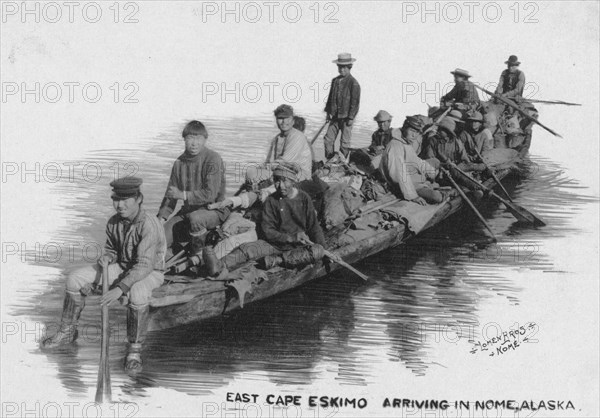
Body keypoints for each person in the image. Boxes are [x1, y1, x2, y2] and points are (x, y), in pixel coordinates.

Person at [41, 177, 166, 372]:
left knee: (138, 293)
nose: (119, 205)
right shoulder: (114, 222)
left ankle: (134, 349)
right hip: (123, 267)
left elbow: (144, 265)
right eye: (116, 199)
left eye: (125, 200)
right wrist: (107, 257)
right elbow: (112, 250)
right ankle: (67, 331)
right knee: (75, 279)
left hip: (150, 272)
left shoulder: (150, 224)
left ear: (139, 199)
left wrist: (119, 288)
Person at [203, 163, 326, 275]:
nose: (281, 185)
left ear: (293, 181)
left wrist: (322, 247)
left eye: (285, 181)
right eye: (277, 181)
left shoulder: (304, 199)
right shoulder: (271, 201)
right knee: (247, 249)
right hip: (274, 245)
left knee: (317, 251)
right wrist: (290, 237)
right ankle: (218, 266)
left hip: (297, 247)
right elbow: (268, 231)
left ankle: (278, 260)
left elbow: (314, 226)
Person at [158, 120, 228, 252]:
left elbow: (210, 194)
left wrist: (183, 195)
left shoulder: (213, 158)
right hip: (187, 212)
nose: (194, 143)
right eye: (190, 138)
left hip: (213, 210)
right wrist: (161, 219)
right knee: (159, 239)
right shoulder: (179, 162)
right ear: (184, 139)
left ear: (205, 140)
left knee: (196, 218)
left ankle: (198, 255)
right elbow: (171, 195)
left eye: (199, 138)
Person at [246, 104, 313, 192]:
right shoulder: (277, 138)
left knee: (254, 174)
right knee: (251, 172)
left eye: (287, 118)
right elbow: (270, 161)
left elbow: (286, 161)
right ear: (276, 121)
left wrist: (267, 167)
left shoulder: (297, 136)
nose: (284, 122)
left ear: (293, 121)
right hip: (281, 171)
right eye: (280, 118)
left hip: (299, 175)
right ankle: (252, 194)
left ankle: (257, 194)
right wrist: (263, 167)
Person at [380, 116, 444, 205]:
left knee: (435, 161)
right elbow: (399, 175)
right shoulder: (395, 146)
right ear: (404, 128)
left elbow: (417, 161)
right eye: (412, 131)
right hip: (402, 184)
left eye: (417, 132)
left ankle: (435, 180)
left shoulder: (406, 143)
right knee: (437, 197)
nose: (414, 135)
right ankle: (445, 191)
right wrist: (413, 196)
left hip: (411, 175)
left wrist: (434, 173)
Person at [323, 52, 361, 160]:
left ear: (350, 67)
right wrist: (328, 113)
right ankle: (330, 160)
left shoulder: (354, 83)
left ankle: (342, 162)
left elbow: (355, 103)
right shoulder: (335, 81)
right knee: (328, 139)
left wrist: (351, 117)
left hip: (346, 118)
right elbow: (330, 99)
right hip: (334, 117)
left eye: (344, 68)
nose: (342, 70)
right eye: (340, 67)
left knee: (344, 143)